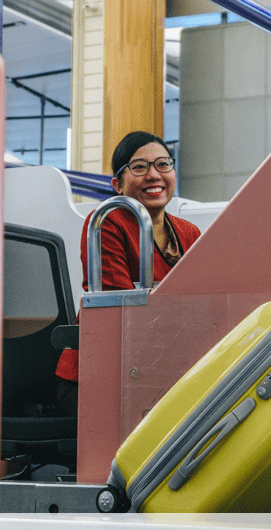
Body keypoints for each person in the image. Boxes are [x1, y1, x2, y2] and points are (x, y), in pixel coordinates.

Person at [55, 131, 201, 417]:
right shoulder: (106, 221)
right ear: (118, 184)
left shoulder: (189, 232)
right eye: (139, 167)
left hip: (157, 372)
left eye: (163, 164)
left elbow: (201, 304)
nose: (154, 175)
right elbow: (119, 311)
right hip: (96, 378)